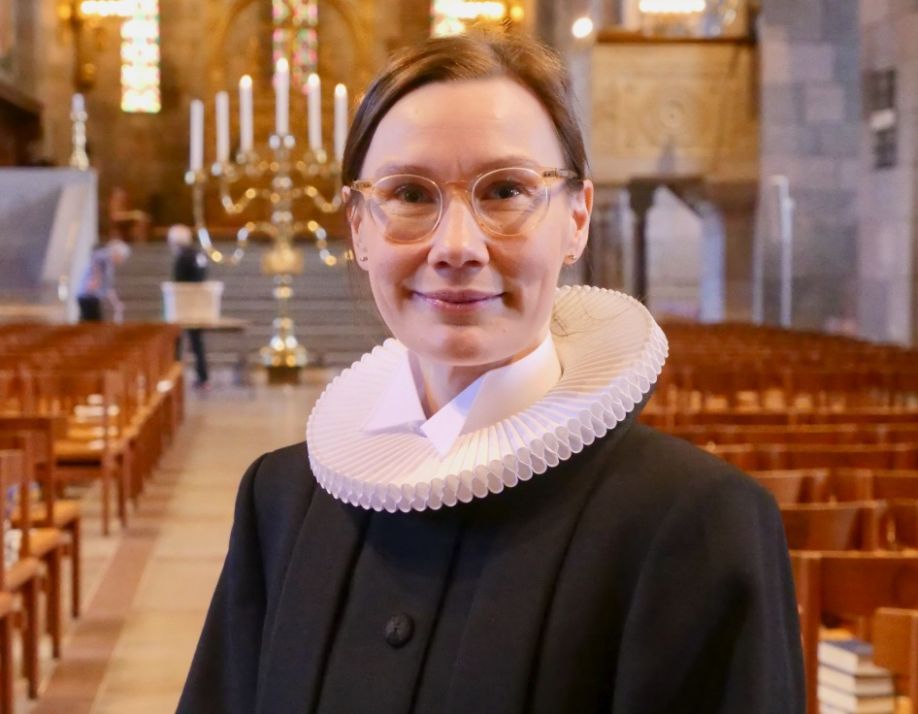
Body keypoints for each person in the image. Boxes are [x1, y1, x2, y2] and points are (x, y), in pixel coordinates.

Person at [179, 31, 804, 713]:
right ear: (357, 227)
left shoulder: (699, 523)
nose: (457, 247)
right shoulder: (281, 501)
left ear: (576, 218)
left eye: (506, 190)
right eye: (409, 193)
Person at [167, 224, 210, 388]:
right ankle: (202, 376)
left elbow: (178, 281)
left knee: (178, 342)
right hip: (198, 306)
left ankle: (174, 376)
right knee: (197, 343)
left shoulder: (183, 257)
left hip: (184, 306)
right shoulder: (198, 254)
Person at [76, 238, 131, 322]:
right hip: (88, 295)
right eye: (122, 257)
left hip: (93, 296)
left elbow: (109, 287)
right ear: (117, 254)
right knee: (91, 322)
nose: (121, 261)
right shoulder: (105, 257)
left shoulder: (109, 266)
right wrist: (95, 278)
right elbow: (96, 258)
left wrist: (116, 303)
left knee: (92, 321)